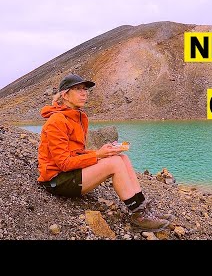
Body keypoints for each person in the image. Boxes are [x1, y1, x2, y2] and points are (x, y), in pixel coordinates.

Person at [37, 73, 172, 231]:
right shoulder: (57, 121)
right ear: (65, 95)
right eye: (78, 89)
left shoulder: (79, 117)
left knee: (121, 157)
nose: (84, 93)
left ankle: (144, 208)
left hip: (70, 174)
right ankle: (138, 215)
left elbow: (76, 152)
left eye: (85, 89)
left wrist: (104, 151)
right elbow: (64, 163)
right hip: (56, 181)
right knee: (114, 163)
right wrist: (98, 155)